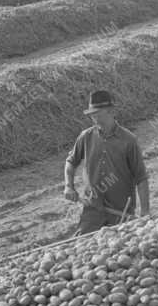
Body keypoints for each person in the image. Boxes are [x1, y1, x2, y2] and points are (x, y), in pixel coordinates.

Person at [64, 90, 150, 235]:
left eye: (97, 113)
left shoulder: (128, 141)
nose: (93, 117)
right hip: (92, 211)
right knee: (83, 246)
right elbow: (70, 162)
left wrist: (145, 212)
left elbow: (141, 178)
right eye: (91, 114)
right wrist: (69, 186)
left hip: (121, 212)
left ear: (111, 111)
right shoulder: (85, 137)